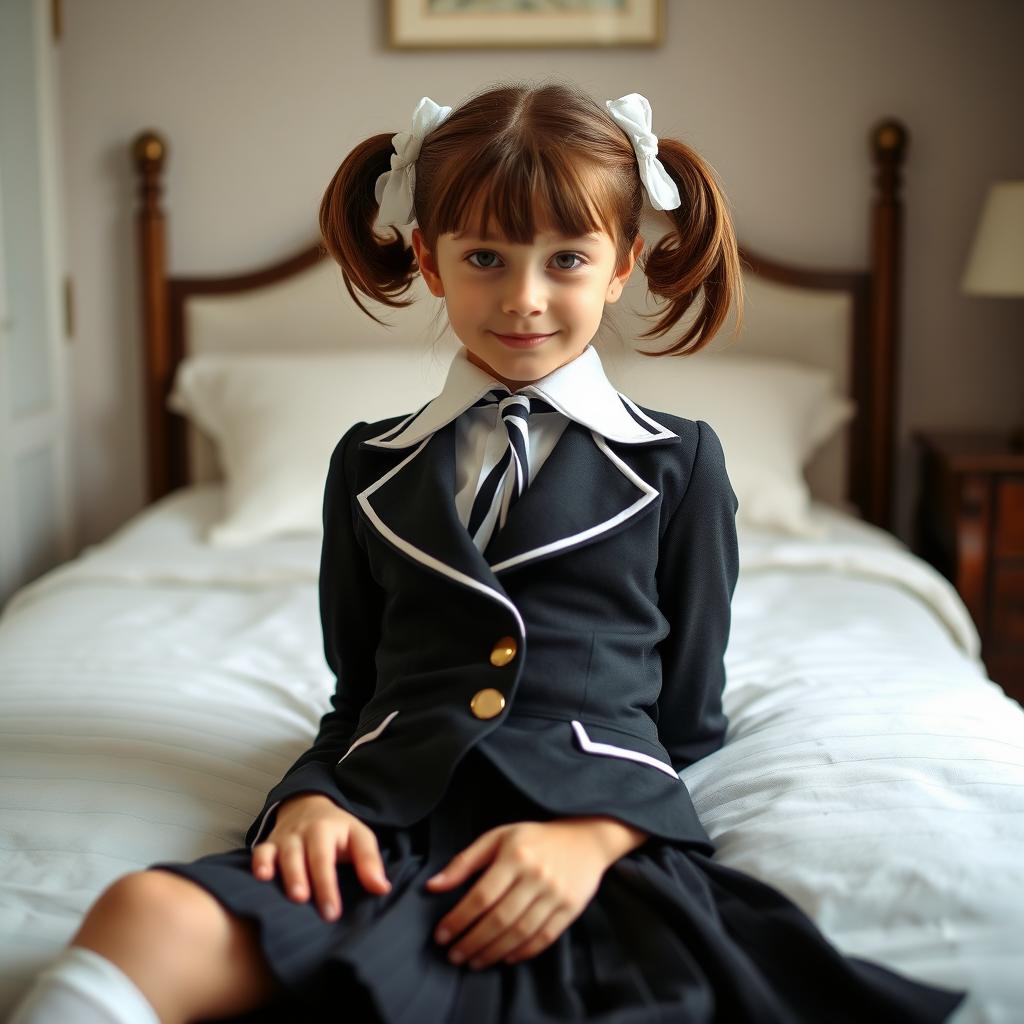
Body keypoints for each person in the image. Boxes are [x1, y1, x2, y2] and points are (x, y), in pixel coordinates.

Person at [9, 79, 968, 1024]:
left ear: (623, 263)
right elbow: (359, 693)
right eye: (484, 258)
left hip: (583, 836)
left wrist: (596, 839)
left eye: (566, 260)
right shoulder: (365, 464)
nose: (523, 299)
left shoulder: (682, 463)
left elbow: (686, 718)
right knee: (144, 912)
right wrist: (309, 801)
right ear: (427, 260)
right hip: (383, 823)